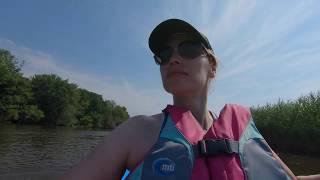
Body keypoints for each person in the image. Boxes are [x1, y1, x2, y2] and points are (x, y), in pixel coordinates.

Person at [61, 19, 320, 180]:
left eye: (189, 49)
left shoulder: (243, 133)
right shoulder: (136, 131)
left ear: (213, 67)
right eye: (164, 54)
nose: (173, 58)